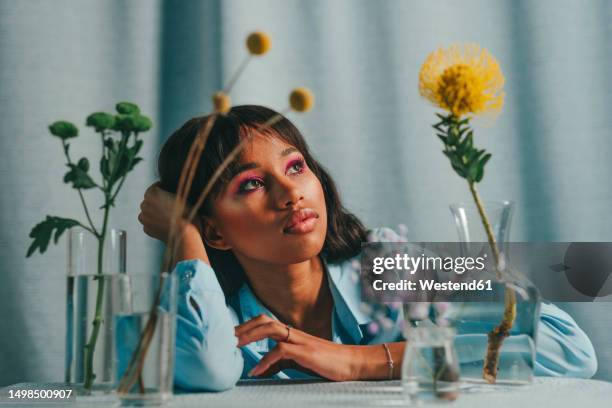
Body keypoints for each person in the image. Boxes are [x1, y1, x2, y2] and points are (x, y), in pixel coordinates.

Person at [138, 105, 597, 392]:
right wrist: (185, 237)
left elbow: (570, 349)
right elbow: (207, 370)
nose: (291, 193)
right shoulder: (223, 320)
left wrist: (360, 361)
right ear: (215, 232)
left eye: (296, 166)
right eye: (253, 183)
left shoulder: (390, 266)